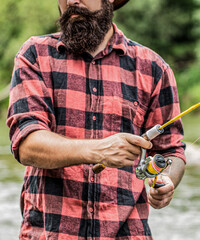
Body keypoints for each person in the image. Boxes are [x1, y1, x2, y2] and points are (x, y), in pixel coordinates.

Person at [7, 0, 186, 239]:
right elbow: (27, 144)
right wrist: (99, 151)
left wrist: (165, 180)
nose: (71, 1)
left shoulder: (154, 68)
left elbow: (172, 150)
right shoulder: (35, 55)